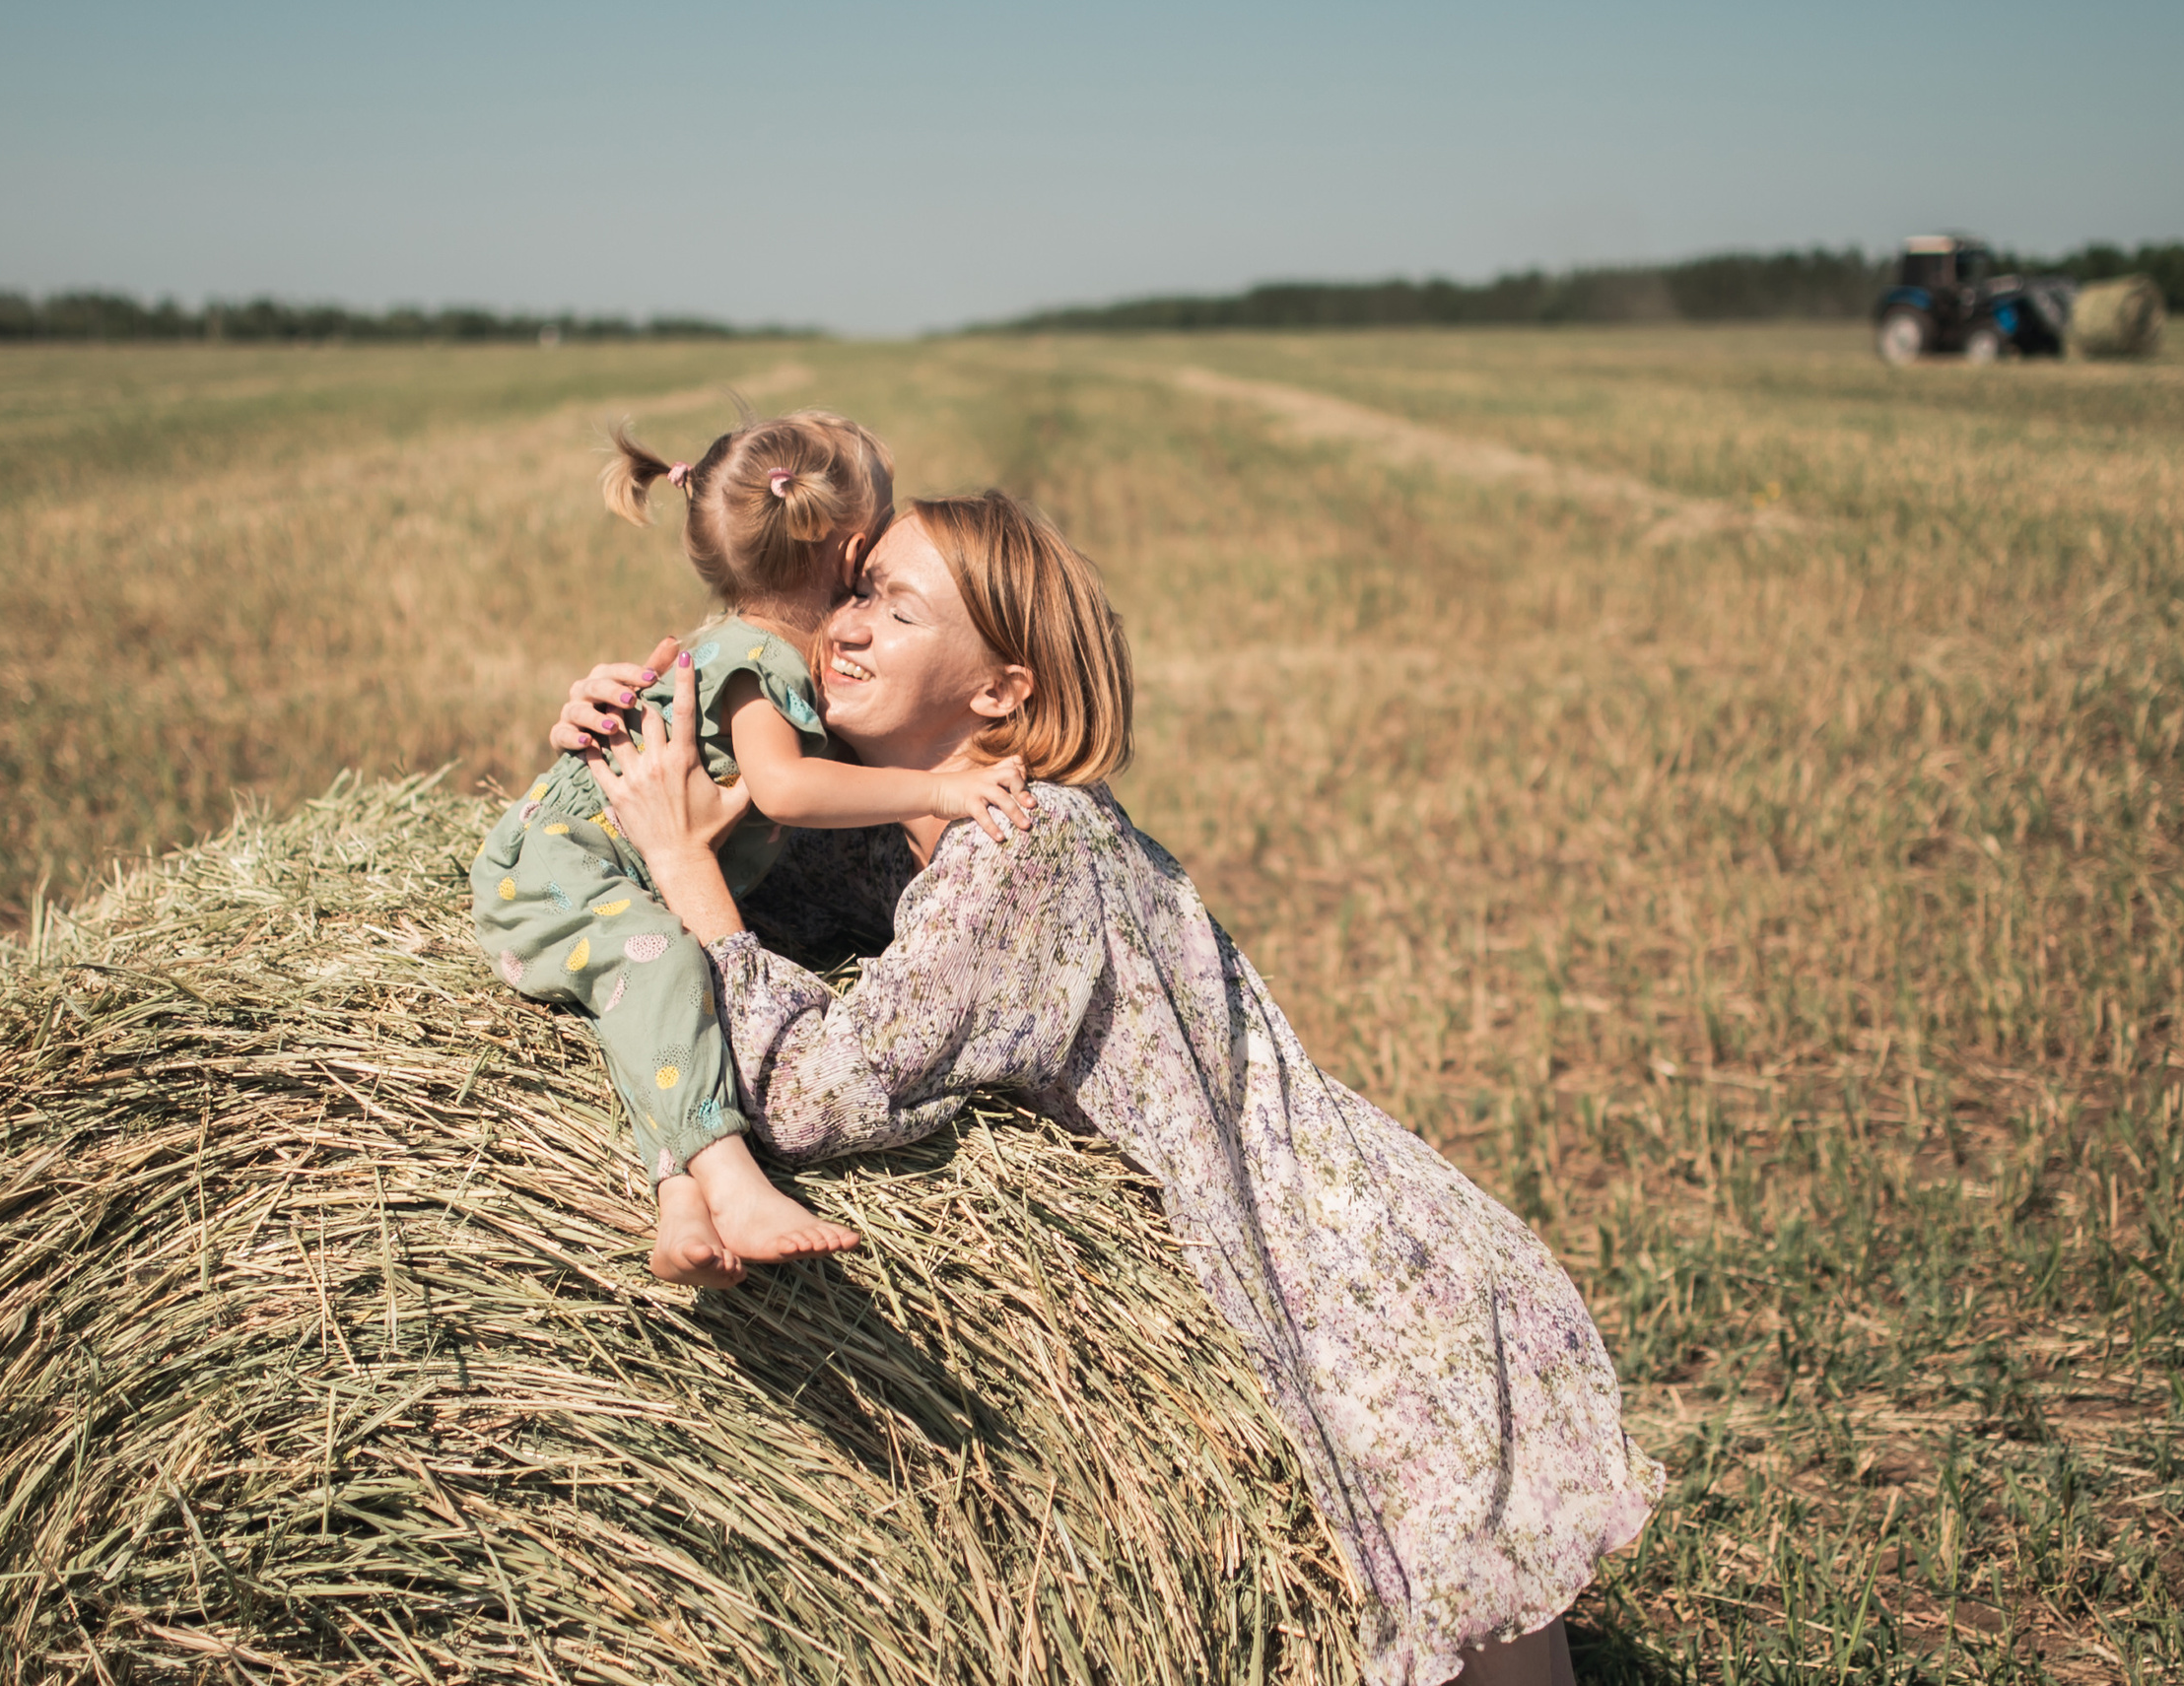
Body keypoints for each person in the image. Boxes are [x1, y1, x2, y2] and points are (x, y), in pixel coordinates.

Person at [577, 491, 1662, 1686]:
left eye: (895, 605)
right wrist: (626, 733)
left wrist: (685, 872)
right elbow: (754, 860)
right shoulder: (916, 830)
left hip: (1382, 1319)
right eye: (849, 591)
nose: (844, 626)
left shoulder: (1025, 851)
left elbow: (813, 1092)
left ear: (1001, 690)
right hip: (1360, 1275)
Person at [469, 412, 1029, 1290]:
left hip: (592, 869)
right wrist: (940, 789)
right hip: (556, 870)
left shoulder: (756, 655)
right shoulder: (760, 661)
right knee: (666, 968)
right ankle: (732, 1180)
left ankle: (679, 1201)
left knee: (668, 997)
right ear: (849, 557)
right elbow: (785, 791)